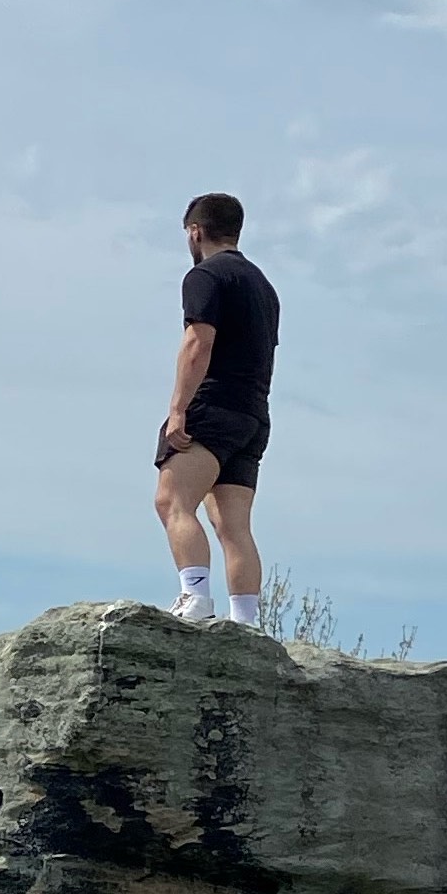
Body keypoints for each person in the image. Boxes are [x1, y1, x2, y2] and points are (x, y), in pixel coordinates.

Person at [155, 193, 280, 625]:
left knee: (172, 500)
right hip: (253, 413)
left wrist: (178, 409)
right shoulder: (263, 286)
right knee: (233, 524)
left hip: (215, 405)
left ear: (195, 231)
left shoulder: (205, 276)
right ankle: (245, 620)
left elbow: (198, 342)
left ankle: (195, 599)